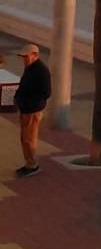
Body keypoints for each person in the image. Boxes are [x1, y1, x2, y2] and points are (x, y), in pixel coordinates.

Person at [14, 43, 50, 178]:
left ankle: (32, 165)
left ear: (35, 55)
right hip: (25, 108)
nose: (24, 59)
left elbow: (46, 92)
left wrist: (30, 102)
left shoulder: (41, 71)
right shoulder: (29, 68)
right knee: (24, 138)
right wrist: (18, 97)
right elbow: (23, 85)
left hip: (32, 110)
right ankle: (28, 163)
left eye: (26, 56)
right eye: (23, 57)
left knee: (29, 139)